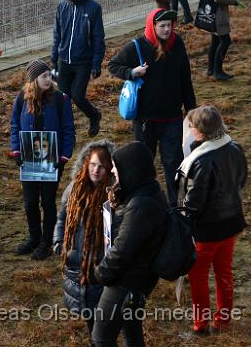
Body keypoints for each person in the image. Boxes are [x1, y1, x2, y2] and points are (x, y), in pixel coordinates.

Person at [108, 8, 196, 205]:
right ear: (152, 26)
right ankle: (145, 204)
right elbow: (113, 65)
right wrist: (132, 72)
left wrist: (192, 112)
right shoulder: (137, 46)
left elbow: (185, 78)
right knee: (144, 165)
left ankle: (177, 207)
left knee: (173, 163)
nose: (167, 30)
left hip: (172, 118)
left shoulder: (177, 44)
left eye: (169, 26)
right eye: (162, 26)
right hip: (145, 120)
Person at [177, 106, 247, 335]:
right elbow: (242, 180)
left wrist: (182, 218)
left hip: (207, 230)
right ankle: (223, 319)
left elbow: (194, 202)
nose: (189, 129)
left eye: (192, 126)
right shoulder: (234, 147)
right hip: (232, 221)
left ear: (202, 131)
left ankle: (201, 323)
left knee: (198, 276)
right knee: (224, 272)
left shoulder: (200, 160)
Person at [92, 142, 167, 347]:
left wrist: (100, 273)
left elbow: (122, 252)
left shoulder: (140, 207)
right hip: (140, 279)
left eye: (117, 166)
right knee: (131, 329)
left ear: (131, 169)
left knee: (101, 339)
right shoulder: (150, 192)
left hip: (125, 282)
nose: (113, 170)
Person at [10, 60, 75, 259]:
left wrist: (63, 157)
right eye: (44, 76)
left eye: (49, 75)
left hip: (52, 160)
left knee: (47, 201)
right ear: (33, 79)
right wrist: (16, 152)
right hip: (29, 161)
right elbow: (15, 126)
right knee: (30, 202)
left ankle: (46, 241)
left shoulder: (60, 99)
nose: (48, 79)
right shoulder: (21, 98)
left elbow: (68, 129)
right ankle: (34, 238)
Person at [52, 140, 115, 338]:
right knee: (88, 313)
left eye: (101, 166)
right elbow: (62, 217)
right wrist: (58, 241)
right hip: (77, 261)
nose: (95, 170)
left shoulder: (115, 195)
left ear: (110, 169)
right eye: (92, 165)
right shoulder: (74, 189)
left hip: (101, 263)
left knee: (104, 316)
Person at [50, 0, 105, 137]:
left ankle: (94, 115)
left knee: (78, 97)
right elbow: (57, 34)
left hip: (83, 62)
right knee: (63, 98)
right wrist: (54, 58)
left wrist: (96, 64)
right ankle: (68, 130)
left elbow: (98, 38)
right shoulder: (62, 7)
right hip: (63, 60)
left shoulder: (93, 8)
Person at [203, 0, 240, 81]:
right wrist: (233, 1)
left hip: (212, 11)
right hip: (218, 13)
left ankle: (210, 69)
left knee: (215, 40)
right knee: (225, 40)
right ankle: (218, 71)